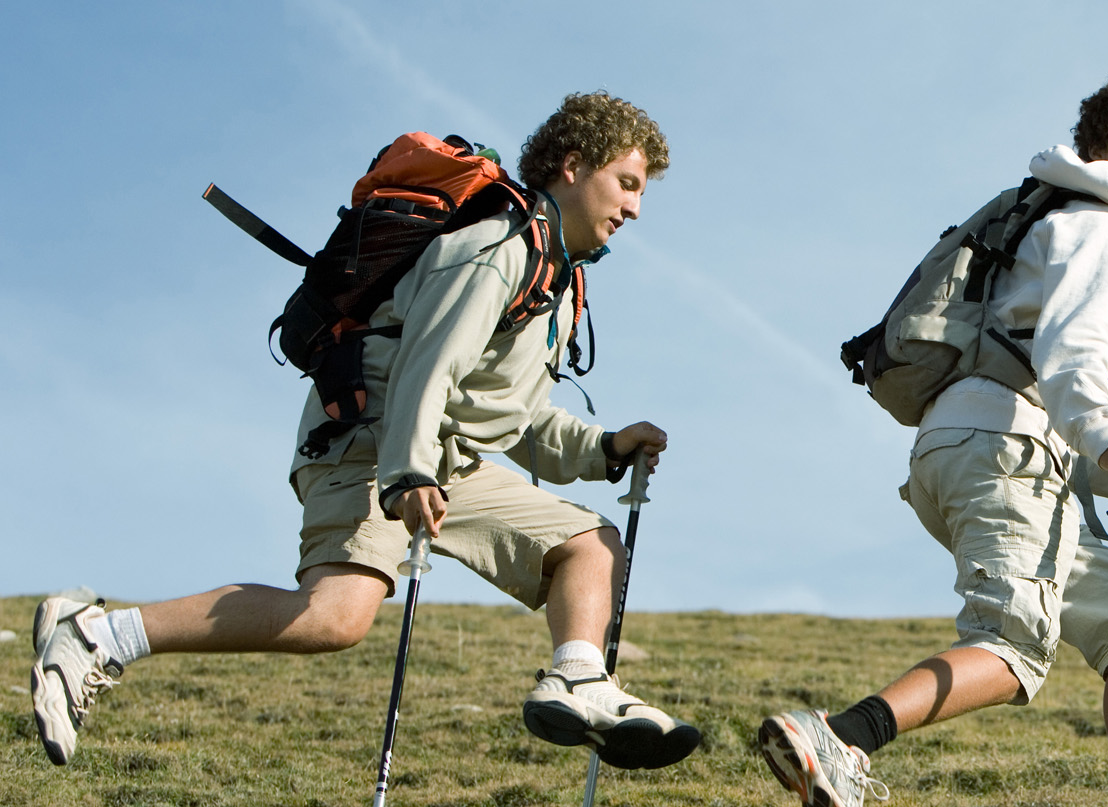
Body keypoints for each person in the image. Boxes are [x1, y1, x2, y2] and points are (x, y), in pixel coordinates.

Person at [31, 92, 701, 772]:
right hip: (370, 437)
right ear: (573, 165)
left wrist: (604, 448)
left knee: (588, 545)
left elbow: (511, 416)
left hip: (436, 457)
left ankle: (579, 680)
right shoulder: (497, 248)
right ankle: (97, 634)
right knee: (334, 617)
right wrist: (408, 472)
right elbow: (425, 364)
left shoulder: (553, 276)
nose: (635, 208)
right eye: (627, 184)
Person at [754, 67, 1108, 807]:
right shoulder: (1105, 228)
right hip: (1006, 449)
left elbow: (1030, 357)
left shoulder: (1047, 214)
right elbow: (1069, 358)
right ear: (1101, 145)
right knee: (1012, 649)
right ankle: (843, 737)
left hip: (978, 445)